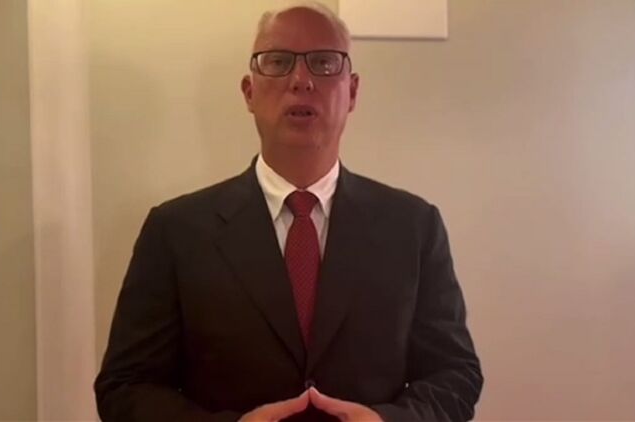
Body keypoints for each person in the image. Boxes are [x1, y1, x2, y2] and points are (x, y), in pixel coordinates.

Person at [95, 3, 482, 421]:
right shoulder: (175, 231)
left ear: (352, 91)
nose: (301, 80)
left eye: (324, 62)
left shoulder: (413, 228)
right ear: (249, 92)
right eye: (278, 62)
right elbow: (126, 386)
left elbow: (455, 374)